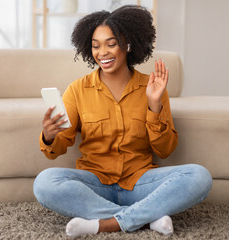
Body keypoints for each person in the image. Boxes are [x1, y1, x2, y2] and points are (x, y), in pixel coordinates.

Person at [33, 5, 213, 238]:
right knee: (45, 183)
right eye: (96, 46)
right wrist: (49, 135)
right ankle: (145, 218)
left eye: (111, 44)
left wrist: (154, 104)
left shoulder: (153, 87)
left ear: (127, 44)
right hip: (94, 185)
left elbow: (165, 150)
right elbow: (56, 150)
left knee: (200, 176)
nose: (102, 53)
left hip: (140, 183)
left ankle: (105, 223)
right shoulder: (78, 90)